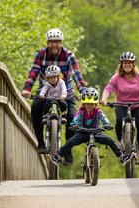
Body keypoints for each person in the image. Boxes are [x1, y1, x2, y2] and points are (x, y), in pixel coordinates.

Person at [21, 28, 87, 164]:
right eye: (51, 42)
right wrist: (27, 89)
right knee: (35, 109)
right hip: (45, 93)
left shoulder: (68, 55)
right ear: (47, 43)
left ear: (61, 42)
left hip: (65, 93)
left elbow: (76, 74)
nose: (54, 45)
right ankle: (41, 143)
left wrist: (82, 91)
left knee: (73, 119)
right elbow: (34, 72)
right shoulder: (41, 54)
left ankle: (67, 150)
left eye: (57, 42)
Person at [100, 51, 139, 165]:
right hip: (121, 104)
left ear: (134, 64)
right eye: (125, 63)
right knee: (119, 120)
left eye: (129, 63)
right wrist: (104, 99)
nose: (127, 65)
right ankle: (120, 141)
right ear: (121, 64)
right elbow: (109, 88)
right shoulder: (117, 77)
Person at [51, 87, 132, 166]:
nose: (90, 105)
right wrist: (74, 125)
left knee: (110, 140)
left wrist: (107, 125)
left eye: (92, 104)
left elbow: (104, 119)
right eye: (88, 103)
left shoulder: (98, 111)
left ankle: (121, 156)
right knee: (70, 142)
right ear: (84, 103)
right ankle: (58, 156)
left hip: (96, 132)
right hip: (82, 133)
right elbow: (75, 119)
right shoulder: (81, 111)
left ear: (95, 103)